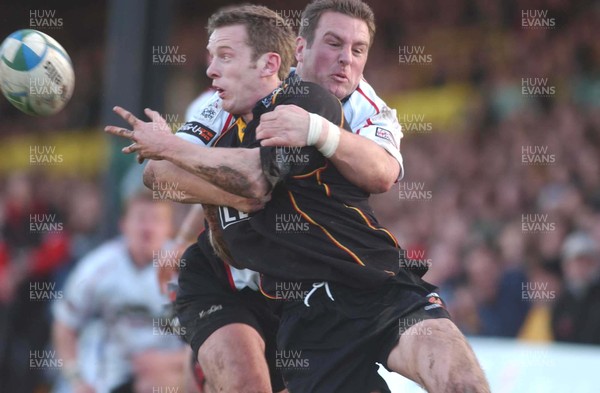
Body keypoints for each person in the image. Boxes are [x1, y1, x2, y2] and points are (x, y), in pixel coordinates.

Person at [106, 3, 489, 393]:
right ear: (299, 50)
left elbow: (381, 173)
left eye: (358, 50)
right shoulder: (228, 99)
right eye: (334, 43)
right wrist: (206, 196)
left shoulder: (330, 105)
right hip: (253, 284)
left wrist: (321, 132)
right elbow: (160, 174)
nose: (345, 59)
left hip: (359, 284)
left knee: (462, 382)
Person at [52, 191, 189, 393]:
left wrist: (169, 362)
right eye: (140, 218)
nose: (148, 228)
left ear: (170, 228)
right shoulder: (98, 267)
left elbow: (212, 336)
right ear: (123, 224)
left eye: (157, 219)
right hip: (108, 376)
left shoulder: (187, 269)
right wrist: (76, 378)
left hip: (169, 374)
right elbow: (64, 325)